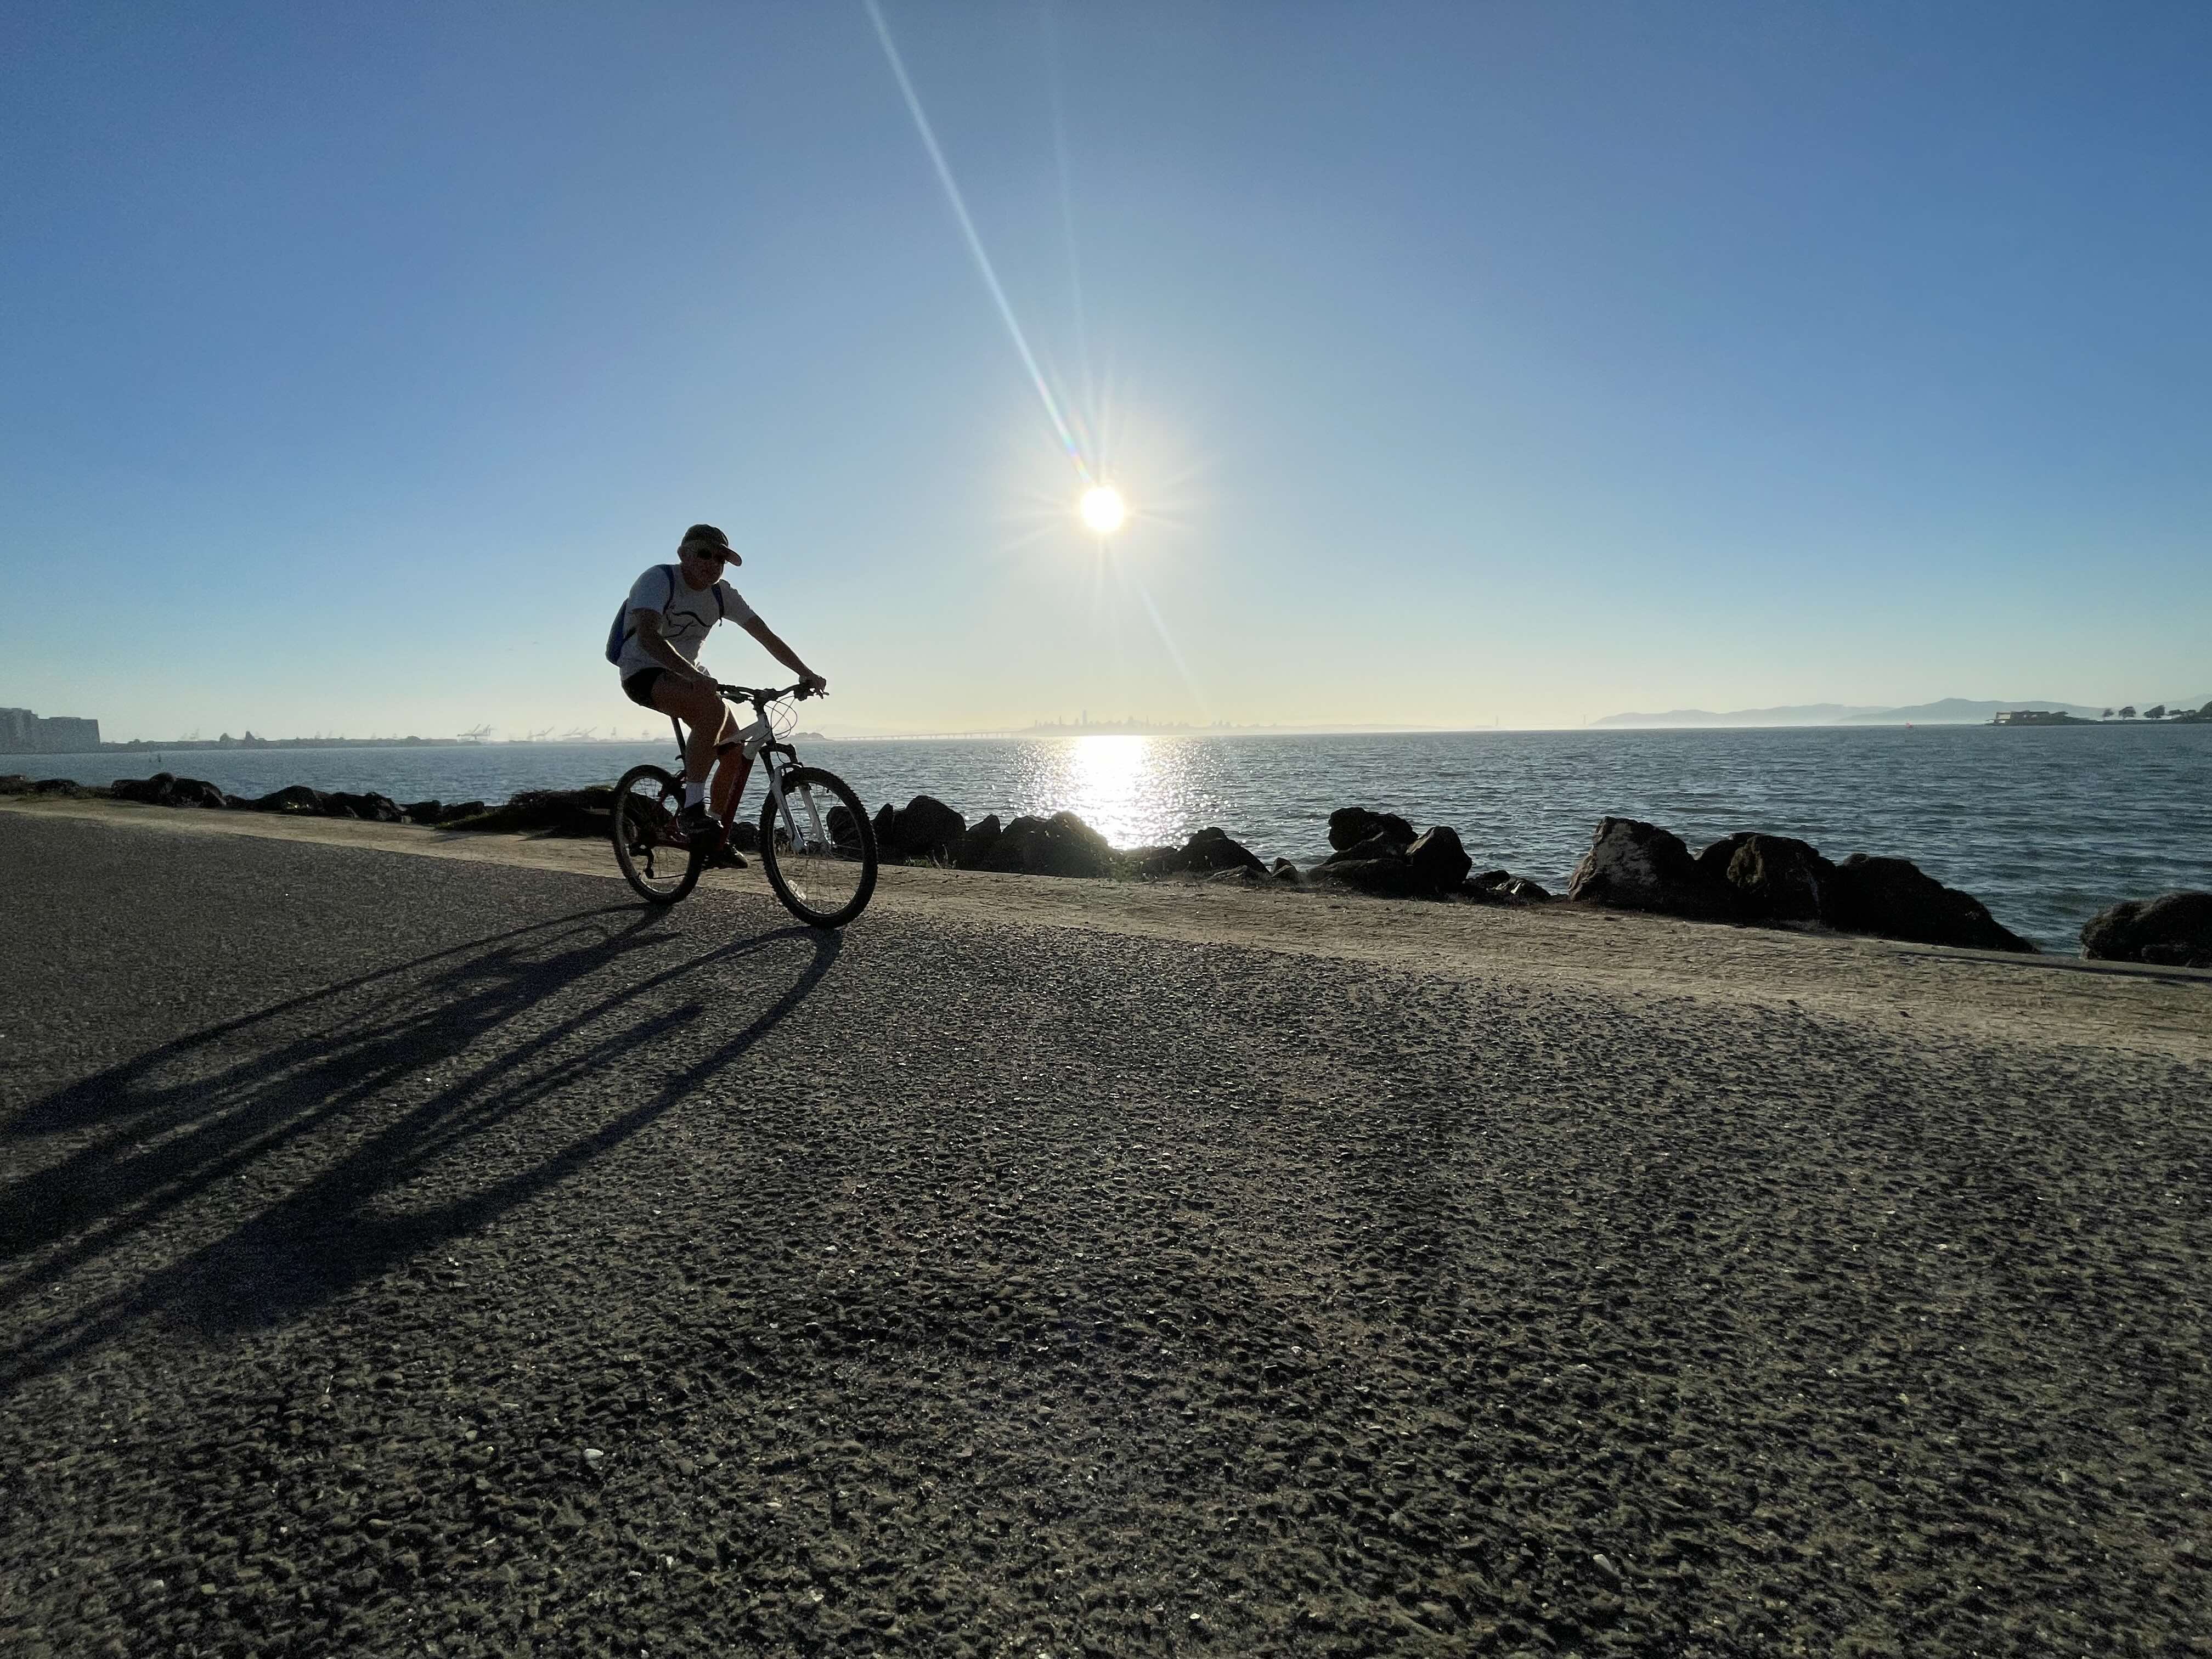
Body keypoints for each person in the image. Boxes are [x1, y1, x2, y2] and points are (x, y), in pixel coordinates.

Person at [613, 523, 827, 839]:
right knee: (711, 712)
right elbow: (648, 636)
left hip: (689, 677)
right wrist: (693, 675)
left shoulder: (722, 594)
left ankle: (713, 835)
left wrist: (805, 672)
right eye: (705, 554)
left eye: (721, 559)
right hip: (643, 672)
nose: (713, 563)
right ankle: (692, 810)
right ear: (683, 554)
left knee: (734, 751)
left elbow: (765, 635)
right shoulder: (658, 579)